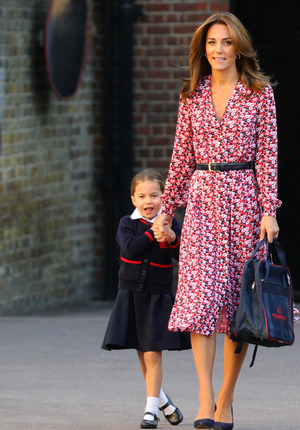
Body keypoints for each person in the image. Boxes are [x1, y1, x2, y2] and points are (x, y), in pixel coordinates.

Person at [152, 12, 281, 430]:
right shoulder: (191, 95)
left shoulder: (259, 94)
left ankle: (226, 397)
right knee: (199, 301)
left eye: (226, 42)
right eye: (211, 43)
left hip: (244, 201)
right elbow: (180, 159)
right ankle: (205, 398)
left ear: (238, 47)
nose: (218, 50)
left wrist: (269, 210)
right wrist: (165, 209)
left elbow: (268, 156)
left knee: (237, 307)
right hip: (203, 202)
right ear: (203, 49)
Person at [102, 168, 191, 429]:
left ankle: (150, 410)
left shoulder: (171, 222)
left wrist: (173, 238)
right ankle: (163, 402)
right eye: (142, 196)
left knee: (153, 354)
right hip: (130, 295)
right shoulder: (126, 224)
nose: (148, 201)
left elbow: (183, 253)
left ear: (164, 197)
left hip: (157, 296)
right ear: (133, 199)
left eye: (154, 195)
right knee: (143, 354)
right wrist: (153, 233)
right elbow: (130, 248)